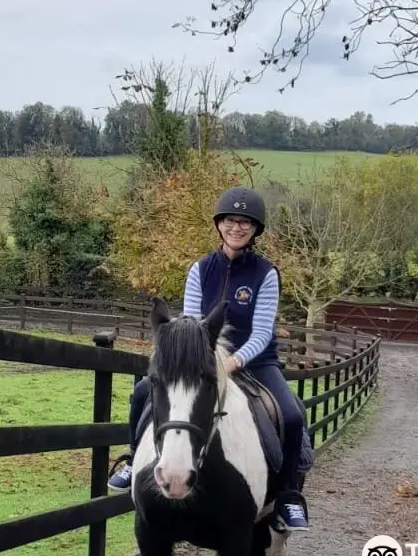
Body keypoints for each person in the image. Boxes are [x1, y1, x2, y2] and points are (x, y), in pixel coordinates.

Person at [107, 186, 310, 532]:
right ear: (219, 224)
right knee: (143, 392)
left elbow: (262, 333)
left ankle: (288, 495)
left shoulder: (266, 274)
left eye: (245, 222)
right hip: (201, 360)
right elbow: (189, 327)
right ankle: (131, 459)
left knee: (291, 415)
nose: (237, 227)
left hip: (256, 363)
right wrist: (206, 360)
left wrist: (232, 363)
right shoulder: (200, 269)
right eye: (231, 220)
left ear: (255, 229)